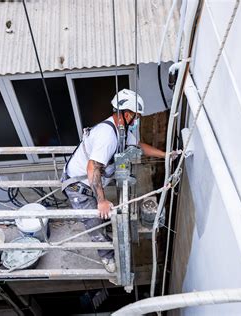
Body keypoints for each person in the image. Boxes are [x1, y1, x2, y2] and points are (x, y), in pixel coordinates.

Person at [62, 89, 173, 273]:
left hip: (94, 178)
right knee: (94, 222)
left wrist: (166, 155)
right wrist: (101, 201)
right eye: (136, 116)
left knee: (105, 209)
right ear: (127, 114)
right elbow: (92, 168)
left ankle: (102, 213)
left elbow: (138, 146)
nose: (137, 120)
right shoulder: (107, 136)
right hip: (79, 186)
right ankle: (107, 257)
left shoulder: (122, 130)